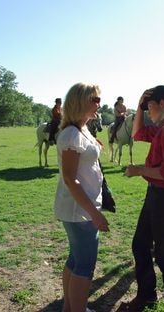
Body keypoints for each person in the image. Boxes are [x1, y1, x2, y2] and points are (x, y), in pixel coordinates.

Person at [124, 85, 164, 312]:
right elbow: (137, 133)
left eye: (150, 107)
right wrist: (141, 103)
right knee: (141, 245)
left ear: (162, 104)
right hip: (156, 195)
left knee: (162, 254)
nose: (148, 111)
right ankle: (147, 295)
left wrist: (138, 170)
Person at [54, 83, 109, 312]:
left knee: (76, 260)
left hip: (80, 208)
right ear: (80, 102)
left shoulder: (81, 130)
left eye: (99, 99)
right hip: (80, 211)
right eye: (94, 100)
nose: (99, 104)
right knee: (85, 265)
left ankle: (70, 308)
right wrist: (95, 214)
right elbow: (70, 179)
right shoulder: (71, 134)